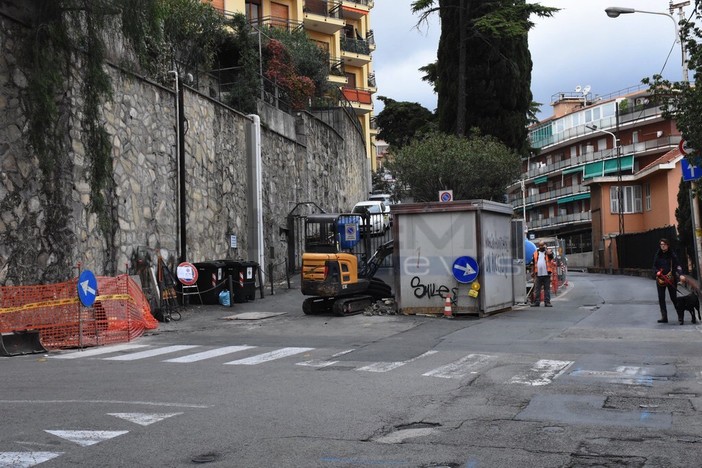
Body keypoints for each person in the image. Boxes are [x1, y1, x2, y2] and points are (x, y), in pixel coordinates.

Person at [652, 238, 682, 323]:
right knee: (661, 298)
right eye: (661, 245)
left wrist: (681, 274)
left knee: (674, 298)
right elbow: (654, 266)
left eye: (664, 244)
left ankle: (680, 316)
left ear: (667, 245)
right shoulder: (658, 254)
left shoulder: (672, 254)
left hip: (671, 279)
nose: (662, 246)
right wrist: (656, 272)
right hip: (660, 279)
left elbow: (678, 265)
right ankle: (664, 317)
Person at [531, 241, 554, 307]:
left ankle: (547, 302)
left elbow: (551, 257)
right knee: (537, 289)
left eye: (542, 245)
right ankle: (536, 302)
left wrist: (546, 250)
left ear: (545, 246)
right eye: (540, 246)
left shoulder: (548, 253)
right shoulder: (535, 253)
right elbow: (533, 263)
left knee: (547, 289)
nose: (541, 247)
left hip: (546, 274)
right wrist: (533, 272)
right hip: (538, 274)